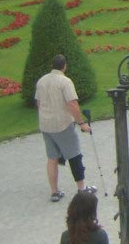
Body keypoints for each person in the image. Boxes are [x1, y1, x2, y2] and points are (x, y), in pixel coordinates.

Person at [35, 54, 96, 202]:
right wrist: (81, 123)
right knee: (75, 155)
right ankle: (82, 188)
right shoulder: (65, 82)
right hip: (62, 124)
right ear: (65, 66)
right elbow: (72, 104)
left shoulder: (42, 80)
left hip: (45, 125)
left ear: (52, 65)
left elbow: (38, 102)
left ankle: (54, 192)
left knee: (52, 158)